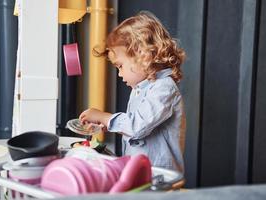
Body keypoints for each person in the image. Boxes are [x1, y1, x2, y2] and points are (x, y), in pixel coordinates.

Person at [79, 11, 186, 172]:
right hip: (139, 172)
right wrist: (108, 125)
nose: (120, 74)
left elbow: (137, 126)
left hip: (158, 177)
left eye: (120, 66)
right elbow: (137, 126)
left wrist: (105, 117)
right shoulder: (140, 89)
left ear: (143, 56)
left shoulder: (164, 89)